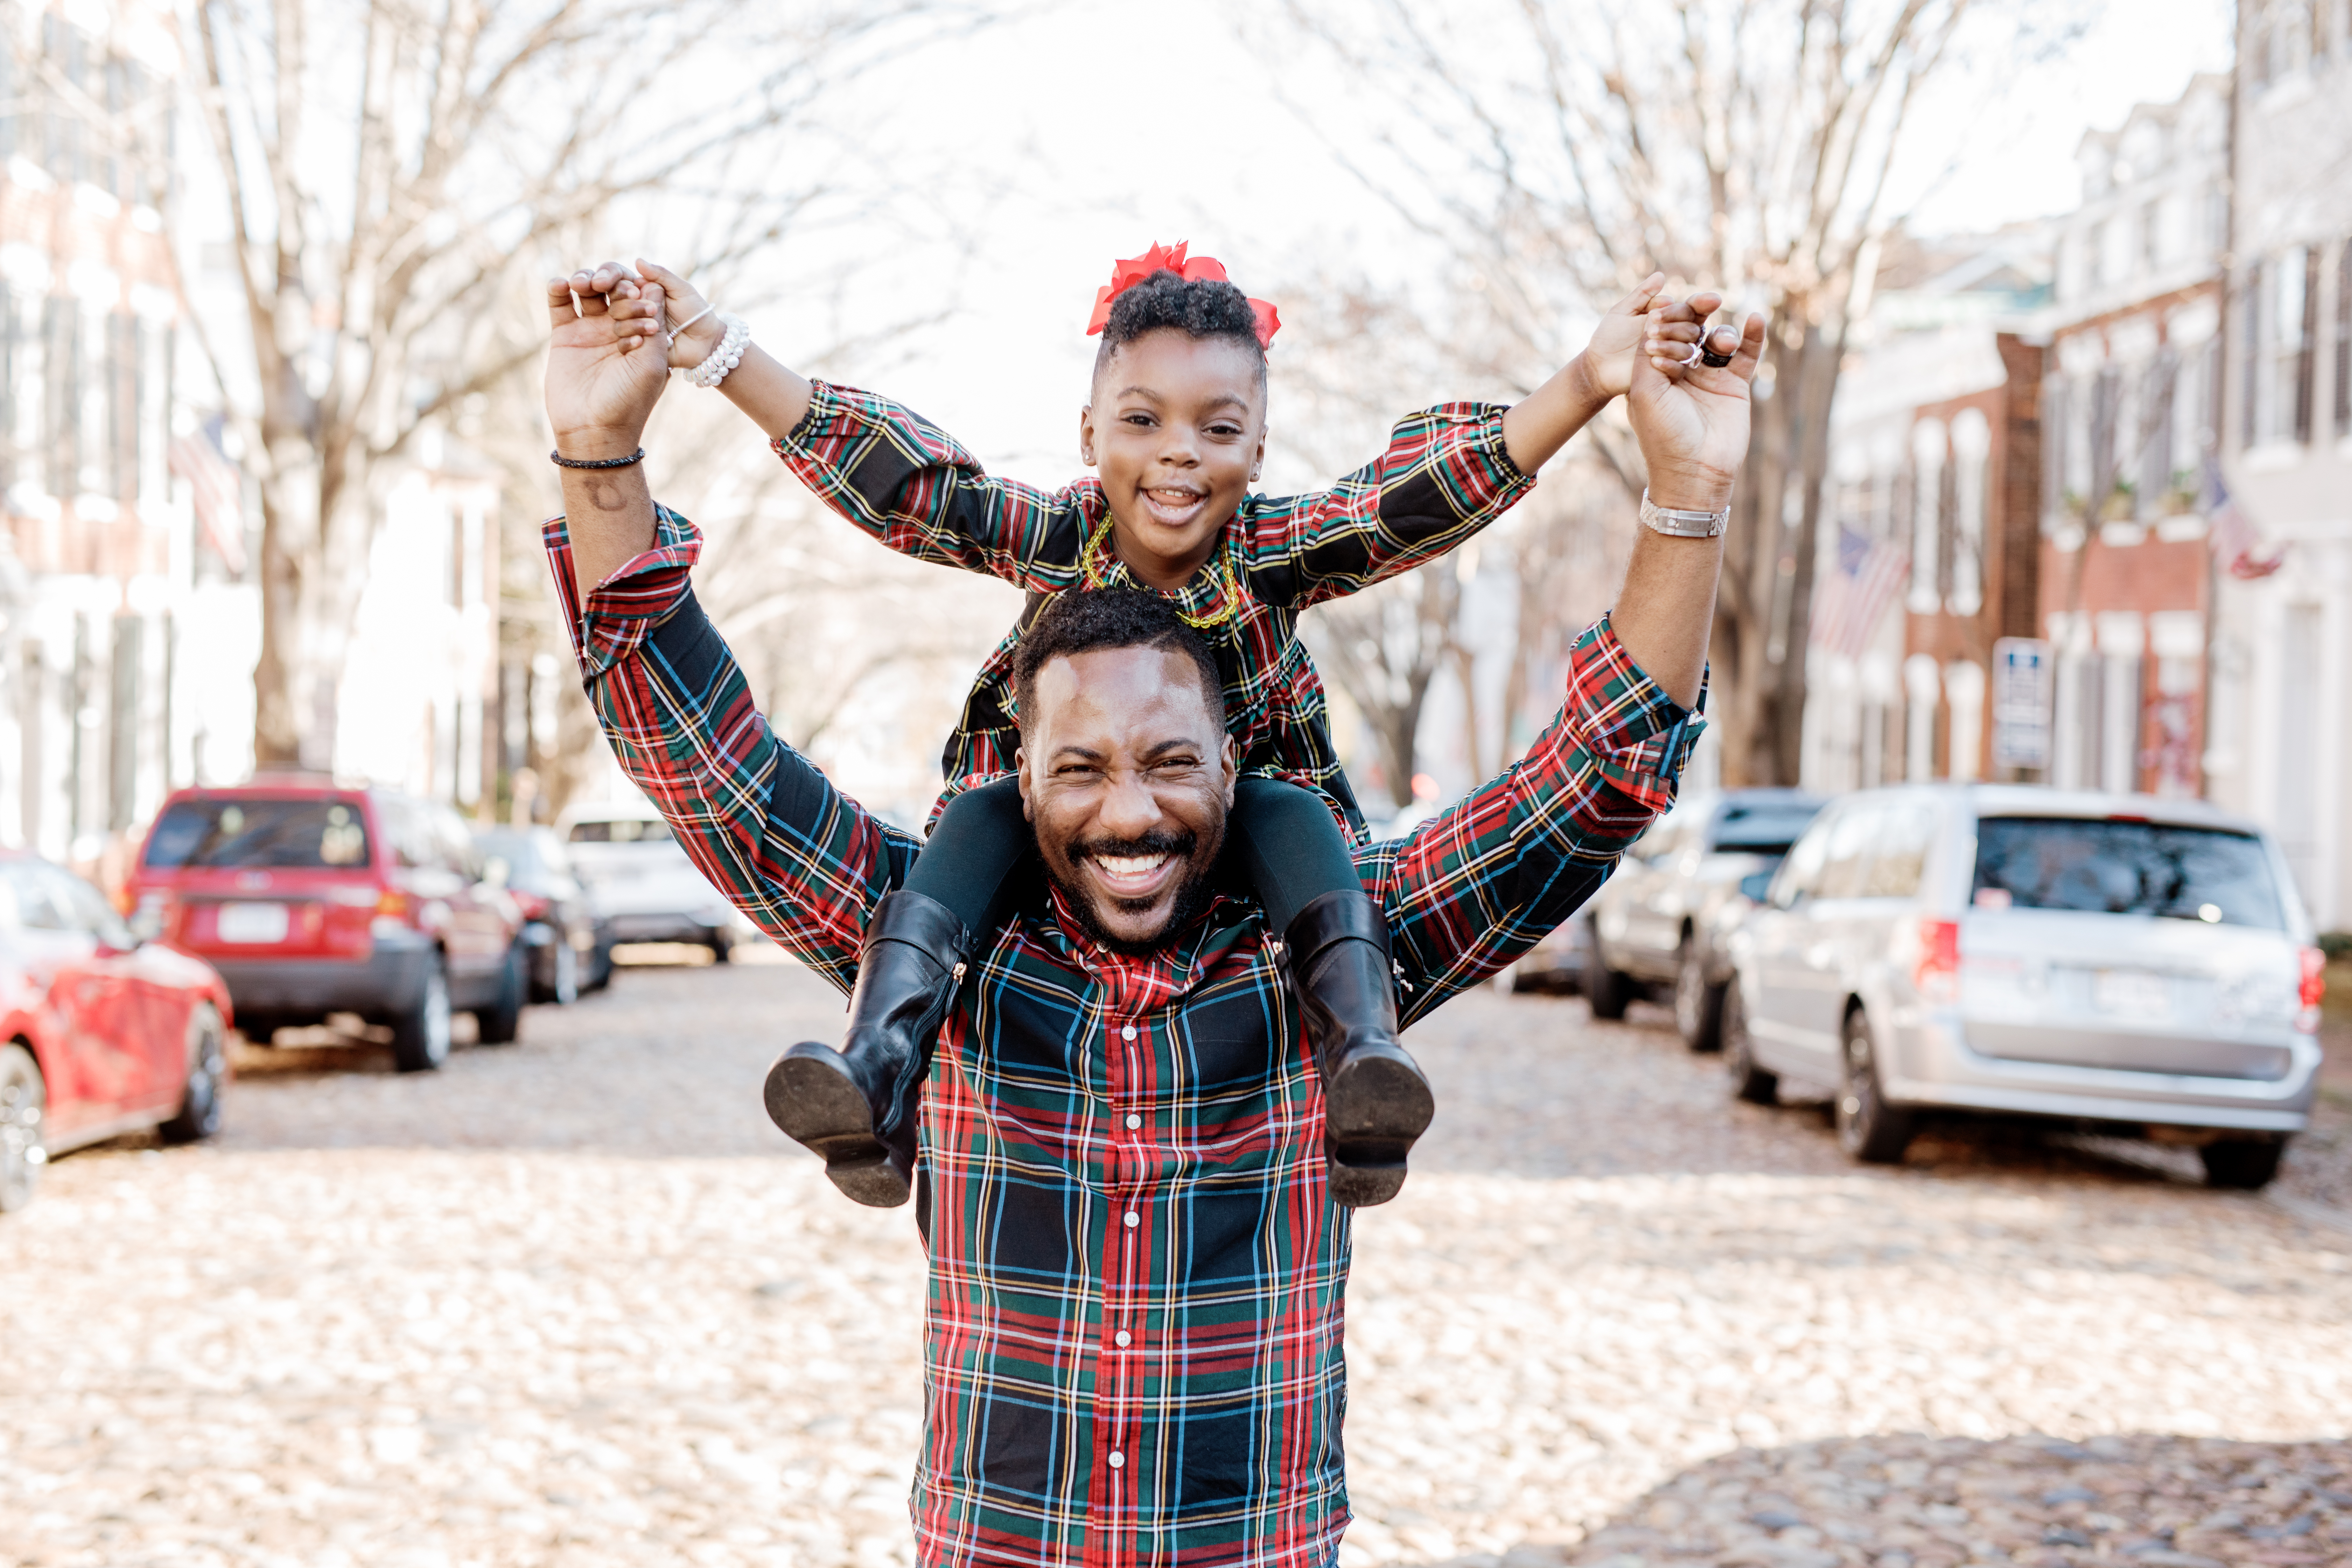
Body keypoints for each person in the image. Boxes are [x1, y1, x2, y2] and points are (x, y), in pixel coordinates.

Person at [541, 257, 1760, 1568]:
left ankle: (1366, 1074)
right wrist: (601, 453)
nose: (1128, 809)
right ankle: (874, 1077)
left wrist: (1683, 489)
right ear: (1020, 770)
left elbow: (1595, 778)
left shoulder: (1330, 941)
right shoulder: (957, 948)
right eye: (1079, 767)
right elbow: (703, 746)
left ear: (1235, 763)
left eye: (1173, 761)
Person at [560, 248, 1729, 1209]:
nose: (1180, 451)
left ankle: (1362, 1049)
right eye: (1143, 419)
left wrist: (1588, 385)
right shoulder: (1057, 538)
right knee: (977, 821)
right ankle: (880, 1066)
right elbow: (913, 491)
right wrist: (718, 352)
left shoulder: (1274, 552)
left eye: (1218, 429)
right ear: (1087, 434)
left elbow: (1409, 506)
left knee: (1286, 813)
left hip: (1259, 864)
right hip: (1026, 864)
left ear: (1258, 452)